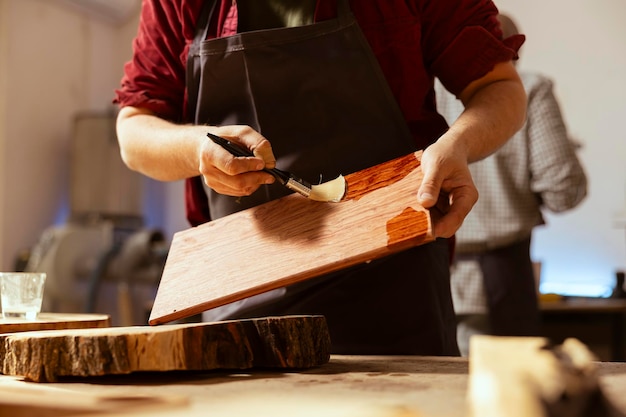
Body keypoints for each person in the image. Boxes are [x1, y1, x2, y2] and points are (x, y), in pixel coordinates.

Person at [114, 0, 527, 356]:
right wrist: (196, 150)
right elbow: (134, 133)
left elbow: (500, 89)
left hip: (394, 293)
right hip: (238, 295)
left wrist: (458, 144)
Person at [435, 14, 588, 356]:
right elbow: (563, 192)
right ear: (512, 49)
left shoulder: (419, 96)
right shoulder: (531, 88)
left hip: (426, 275)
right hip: (503, 275)